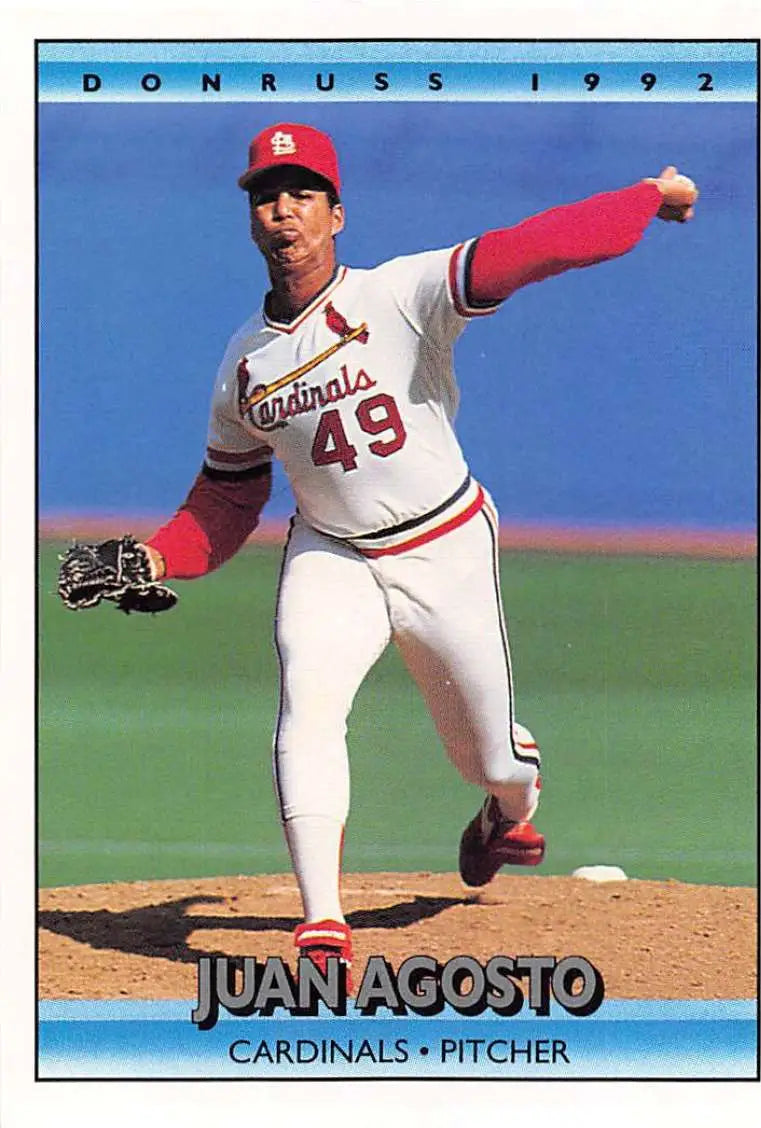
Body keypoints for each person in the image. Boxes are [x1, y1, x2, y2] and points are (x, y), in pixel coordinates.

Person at [136, 122, 697, 984]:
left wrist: (646, 198)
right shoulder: (245, 365)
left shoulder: (402, 294)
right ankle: (322, 920)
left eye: (303, 195)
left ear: (337, 214)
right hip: (333, 555)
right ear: (252, 218)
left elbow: (531, 249)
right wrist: (152, 560)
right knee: (308, 707)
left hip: (445, 545)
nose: (283, 211)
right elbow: (224, 500)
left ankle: (509, 804)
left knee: (492, 760)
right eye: (266, 196)